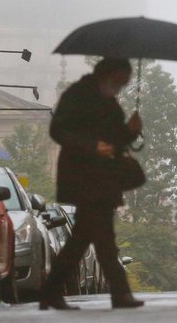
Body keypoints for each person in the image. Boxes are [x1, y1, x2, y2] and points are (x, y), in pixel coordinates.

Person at [39, 57, 144, 311]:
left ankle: (51, 292)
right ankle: (119, 293)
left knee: (85, 239)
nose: (121, 87)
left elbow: (116, 141)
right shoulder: (77, 95)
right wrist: (92, 146)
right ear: (108, 75)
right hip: (84, 178)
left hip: (103, 180)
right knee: (102, 239)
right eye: (120, 81)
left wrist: (131, 130)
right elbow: (59, 130)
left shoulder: (109, 101)